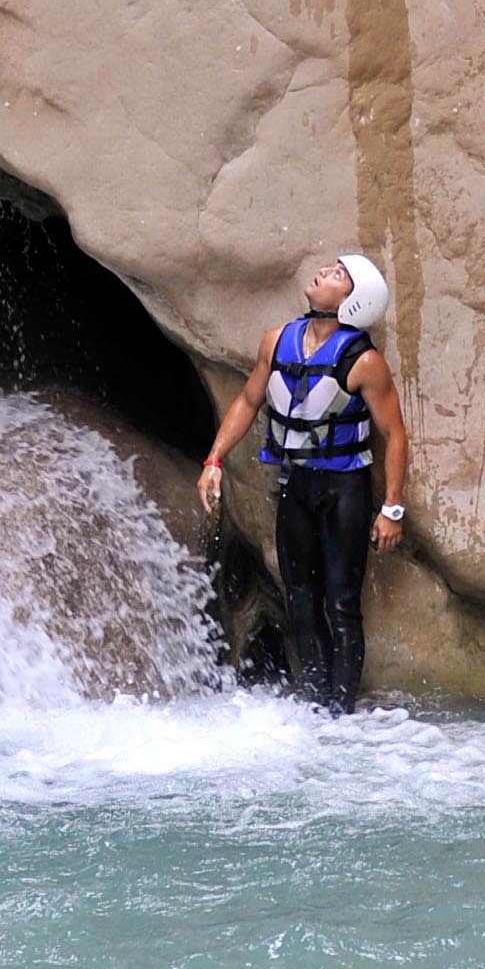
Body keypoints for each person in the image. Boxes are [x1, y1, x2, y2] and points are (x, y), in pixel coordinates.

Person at [197, 253, 409, 714]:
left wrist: (392, 508)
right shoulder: (277, 340)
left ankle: (342, 713)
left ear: (353, 302)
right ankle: (317, 709)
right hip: (296, 486)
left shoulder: (364, 362)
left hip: (345, 491)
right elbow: (249, 400)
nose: (325, 273)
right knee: (300, 600)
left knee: (342, 604)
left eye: (338, 275)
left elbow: (394, 435)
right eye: (331, 268)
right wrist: (214, 459)